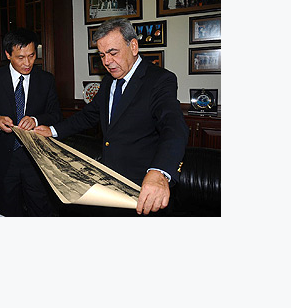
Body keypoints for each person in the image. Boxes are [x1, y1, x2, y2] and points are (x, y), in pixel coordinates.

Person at [34, 18, 188, 216]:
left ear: (133, 46)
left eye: (113, 53)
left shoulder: (160, 80)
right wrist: (52, 130)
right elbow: (88, 116)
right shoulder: (108, 81)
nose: (106, 62)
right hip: (109, 185)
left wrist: (159, 172)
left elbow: (173, 126)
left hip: (142, 189)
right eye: (102, 55)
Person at [0, 28, 62, 216]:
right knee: (9, 213)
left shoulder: (46, 79)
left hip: (36, 159)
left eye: (31, 56)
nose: (27, 63)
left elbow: (56, 115)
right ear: (8, 55)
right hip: (4, 160)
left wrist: (36, 120)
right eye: (20, 57)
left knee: (41, 211)